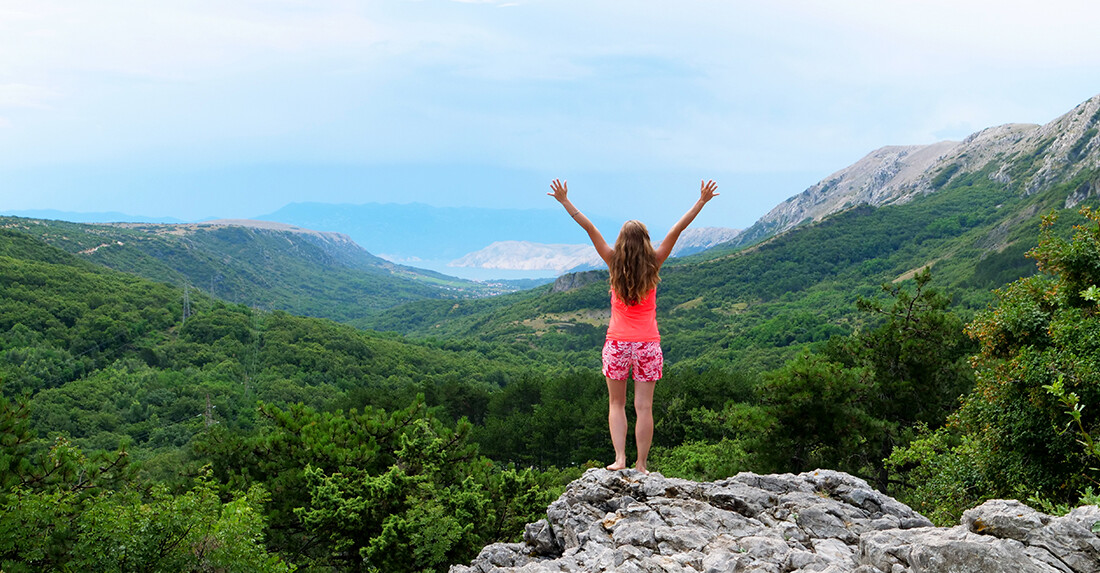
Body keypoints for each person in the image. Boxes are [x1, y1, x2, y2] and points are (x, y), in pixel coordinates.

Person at [548, 178, 719, 473]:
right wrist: (701, 201)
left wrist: (565, 201)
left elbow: (590, 228)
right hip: (648, 345)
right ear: (645, 241)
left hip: (616, 343)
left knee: (616, 404)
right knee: (644, 408)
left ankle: (620, 459)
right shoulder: (655, 261)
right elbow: (677, 230)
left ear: (622, 242)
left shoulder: (612, 260)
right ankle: (641, 464)